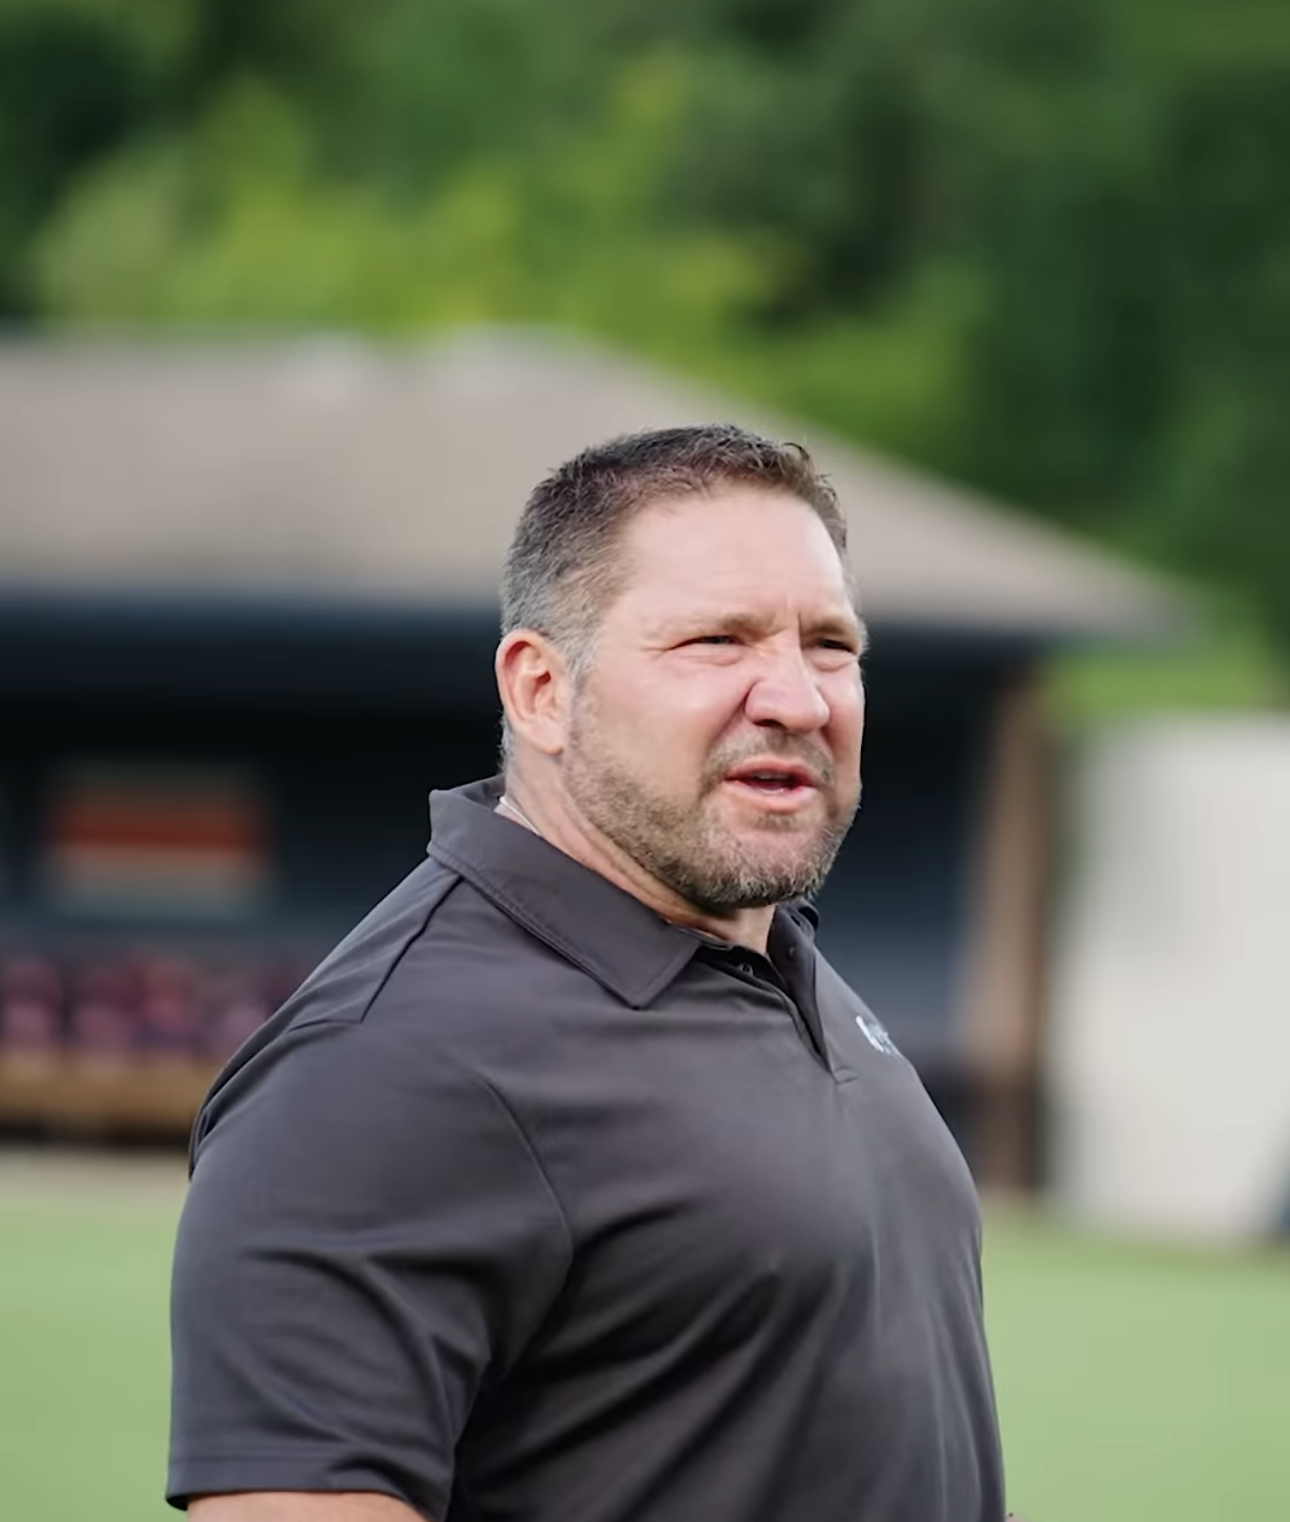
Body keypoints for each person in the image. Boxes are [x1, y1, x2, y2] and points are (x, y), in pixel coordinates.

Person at [168, 425, 1010, 1522]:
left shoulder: (781, 963)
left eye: (831, 644)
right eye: (718, 640)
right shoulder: (386, 1065)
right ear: (541, 690)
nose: (798, 700)